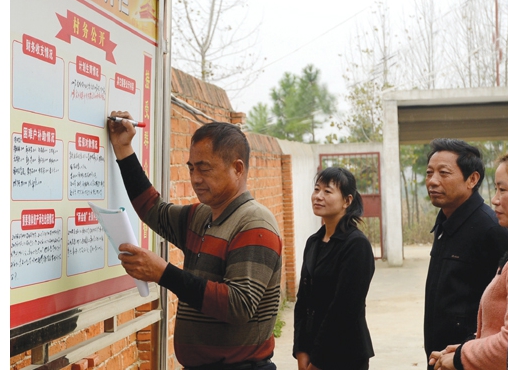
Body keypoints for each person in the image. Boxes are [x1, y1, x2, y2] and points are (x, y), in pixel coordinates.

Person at [107, 111, 282, 370]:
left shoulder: (255, 224)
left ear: (237, 168)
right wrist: (123, 149)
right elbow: (153, 209)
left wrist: (164, 273)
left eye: (205, 168)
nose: (195, 178)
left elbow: (238, 305)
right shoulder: (200, 216)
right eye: (191, 168)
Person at [428, 147, 508, 370]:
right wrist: (465, 349)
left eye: (503, 190)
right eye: (429, 172)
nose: (495, 200)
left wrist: (462, 356)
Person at [423, 138, 508, 370]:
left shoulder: (492, 229)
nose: (432, 181)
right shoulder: (445, 222)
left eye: (443, 173)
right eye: (429, 173)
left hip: (469, 359)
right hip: (439, 356)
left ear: (472, 179)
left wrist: (471, 353)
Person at [293, 167, 375, 370]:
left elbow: (345, 309)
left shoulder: (356, 245)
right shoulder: (314, 242)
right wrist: (301, 350)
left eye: (327, 191)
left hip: (344, 354)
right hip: (311, 350)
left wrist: (319, 361)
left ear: (347, 201)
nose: (318, 196)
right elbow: (303, 301)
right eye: (316, 189)